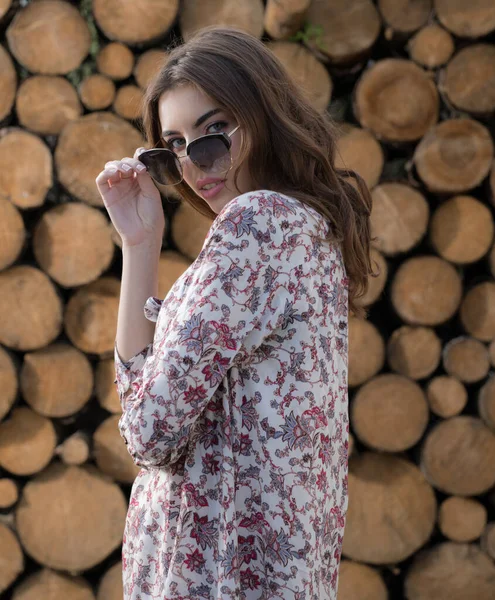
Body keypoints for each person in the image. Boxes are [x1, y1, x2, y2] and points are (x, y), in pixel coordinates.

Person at [96, 26, 375, 600]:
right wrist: (140, 243)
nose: (196, 162)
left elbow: (148, 432)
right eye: (172, 146)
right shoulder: (305, 231)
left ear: (264, 113)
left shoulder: (258, 224)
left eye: (214, 131)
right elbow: (148, 408)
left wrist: (142, 252)